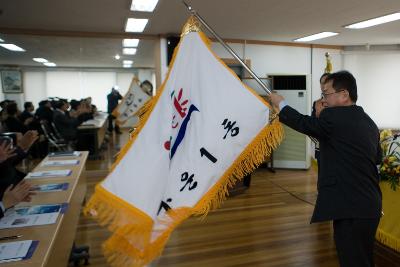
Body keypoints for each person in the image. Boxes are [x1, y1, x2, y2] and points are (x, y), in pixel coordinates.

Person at [270, 70, 382, 267]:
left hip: (351, 206)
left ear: (344, 94)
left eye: (326, 94)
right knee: (361, 259)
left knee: (353, 260)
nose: (323, 99)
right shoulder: (368, 122)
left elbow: (304, 124)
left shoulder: (334, 117)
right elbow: (376, 157)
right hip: (368, 204)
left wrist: (281, 104)